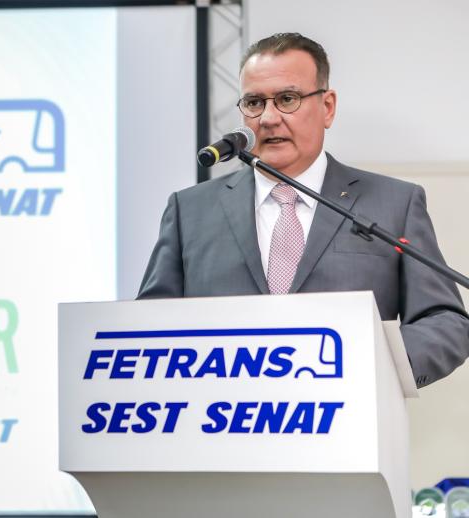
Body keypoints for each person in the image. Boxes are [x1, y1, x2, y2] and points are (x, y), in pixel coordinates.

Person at [137, 32, 469, 387]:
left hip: (348, 412)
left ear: (327, 107)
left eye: (287, 99)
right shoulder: (190, 211)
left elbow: (445, 321)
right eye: (254, 102)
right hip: (221, 415)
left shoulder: (393, 203)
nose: (268, 118)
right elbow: (146, 328)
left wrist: (370, 366)